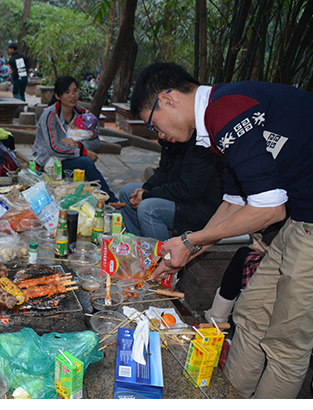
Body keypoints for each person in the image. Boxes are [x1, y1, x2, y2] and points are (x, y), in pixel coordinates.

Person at [130, 62, 313, 399]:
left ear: (167, 99)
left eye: (153, 125)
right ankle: (229, 398)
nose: (160, 136)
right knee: (251, 313)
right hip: (299, 222)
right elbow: (233, 203)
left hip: (307, 225)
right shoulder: (216, 124)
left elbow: (270, 208)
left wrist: (189, 239)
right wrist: (183, 256)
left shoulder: (225, 111)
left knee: (286, 342)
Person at [118, 131, 225, 241]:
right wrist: (146, 188)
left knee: (149, 208)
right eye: (154, 128)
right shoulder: (171, 141)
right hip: (180, 196)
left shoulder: (200, 143)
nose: (160, 135)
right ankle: (138, 245)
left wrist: (146, 195)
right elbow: (163, 172)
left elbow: (187, 189)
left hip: (201, 206)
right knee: (127, 191)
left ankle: (161, 255)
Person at [32, 76, 117, 202]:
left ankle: (105, 202)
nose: (73, 96)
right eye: (67, 92)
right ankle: (111, 201)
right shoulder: (50, 116)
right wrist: (84, 152)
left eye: (75, 91)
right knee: (85, 163)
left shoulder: (81, 114)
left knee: (85, 179)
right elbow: (54, 148)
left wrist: (78, 145)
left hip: (70, 159)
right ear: (58, 96)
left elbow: (95, 141)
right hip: (49, 164)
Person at [204, 219, 284, 323]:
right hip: (276, 250)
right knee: (243, 255)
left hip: (280, 262)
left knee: (243, 256)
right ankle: (217, 317)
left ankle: (217, 317)